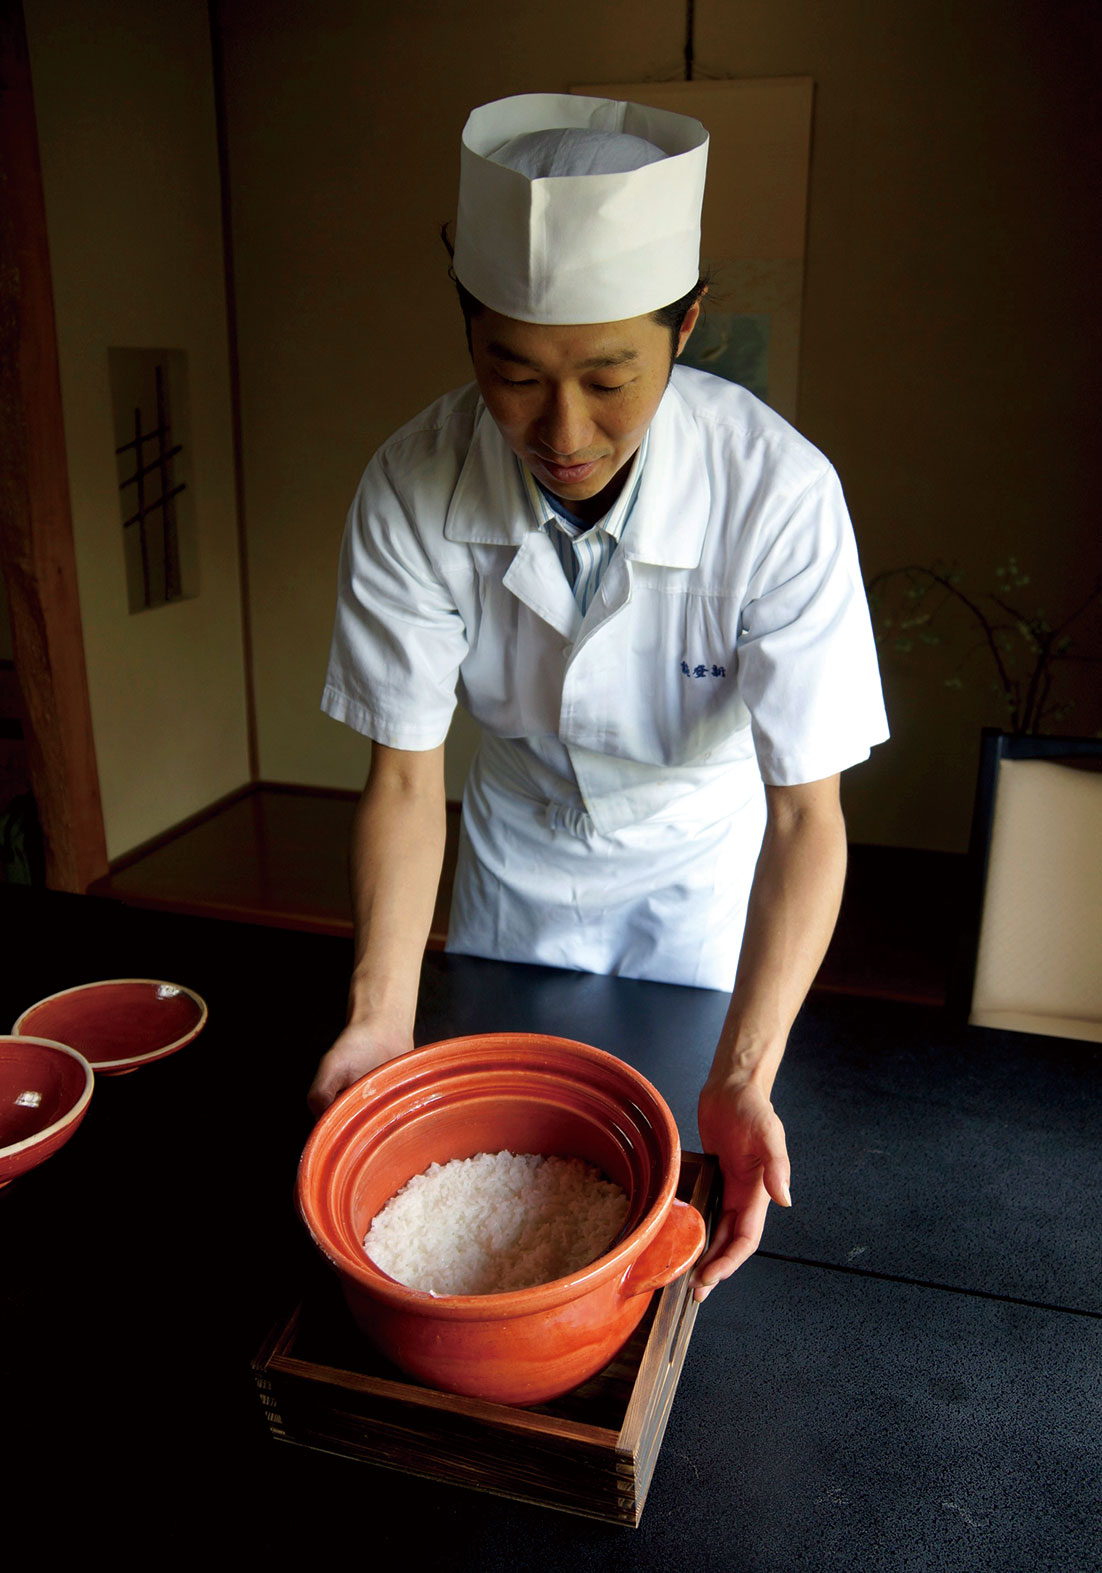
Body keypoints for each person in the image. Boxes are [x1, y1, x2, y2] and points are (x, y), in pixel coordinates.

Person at [308, 94, 889, 1301]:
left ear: (685, 327)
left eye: (609, 376)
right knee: (499, 1179)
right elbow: (409, 777)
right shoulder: (411, 484)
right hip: (513, 856)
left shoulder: (775, 494)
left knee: (670, 1185)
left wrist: (744, 1076)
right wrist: (376, 1014)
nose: (561, 431)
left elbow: (805, 816)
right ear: (468, 333)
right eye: (511, 375)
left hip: (701, 871)